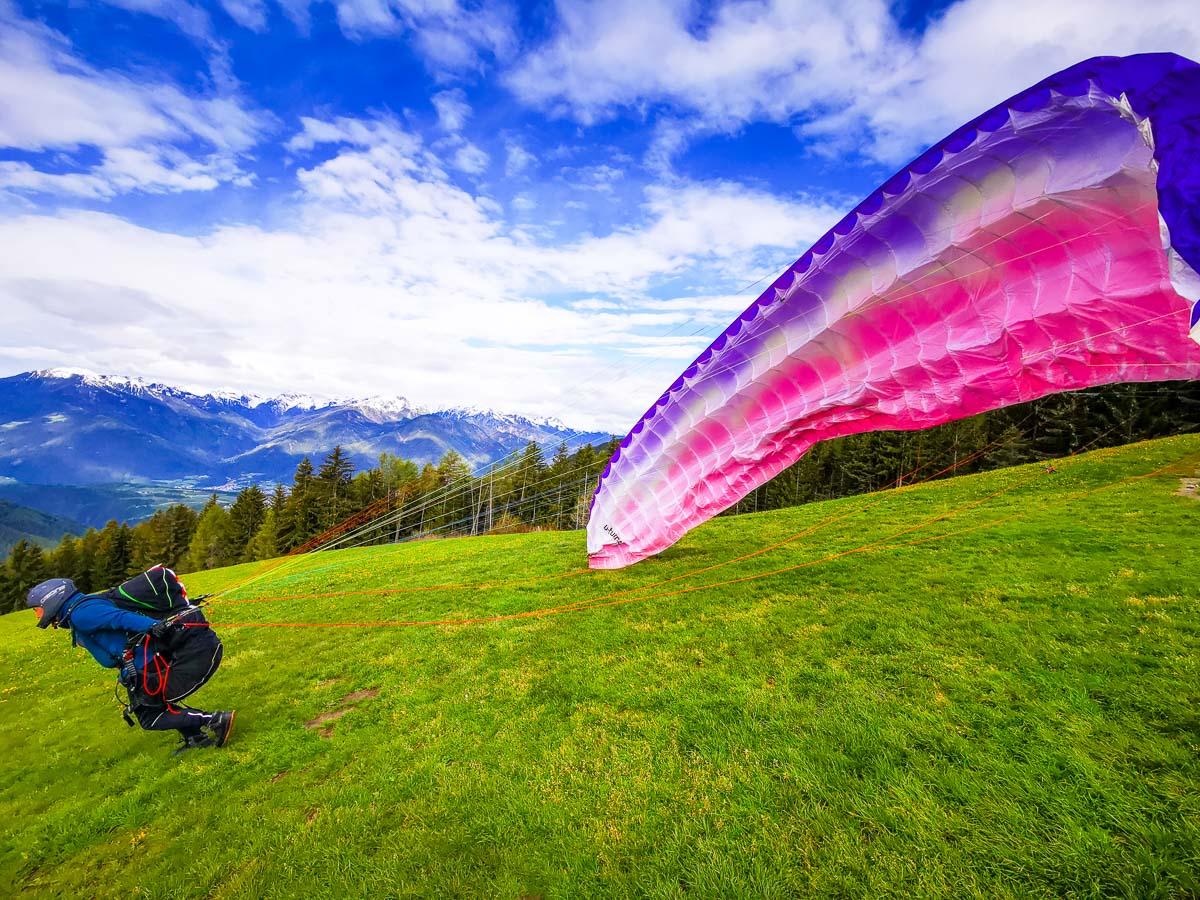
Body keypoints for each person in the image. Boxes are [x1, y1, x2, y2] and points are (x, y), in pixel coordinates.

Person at [26, 576, 235, 754]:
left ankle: (214, 720)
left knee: (151, 717)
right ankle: (195, 738)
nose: (37, 615)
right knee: (157, 706)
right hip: (136, 665)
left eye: (37, 609)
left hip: (143, 664)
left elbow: (120, 618)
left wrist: (152, 626)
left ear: (51, 601)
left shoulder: (81, 613)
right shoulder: (81, 608)